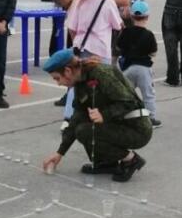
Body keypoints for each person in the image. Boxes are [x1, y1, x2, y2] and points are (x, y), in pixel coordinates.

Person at [41, 50, 153, 182]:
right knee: (81, 127)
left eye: (57, 78)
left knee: (85, 131)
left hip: (136, 128)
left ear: (67, 71)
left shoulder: (102, 74)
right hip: (118, 123)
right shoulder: (80, 82)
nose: (58, 83)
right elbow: (77, 117)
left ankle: (131, 160)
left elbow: (129, 102)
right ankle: (107, 162)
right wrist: (60, 153)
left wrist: (104, 115)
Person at [63, 0, 123, 121]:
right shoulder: (108, 2)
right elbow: (117, 25)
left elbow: (72, 27)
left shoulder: (80, 1)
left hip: (81, 47)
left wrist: (78, 41)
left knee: (77, 83)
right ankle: (97, 114)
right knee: (101, 84)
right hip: (100, 49)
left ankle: (69, 116)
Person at [118, 0, 160, 127]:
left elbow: (119, 47)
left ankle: (123, 116)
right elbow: (153, 52)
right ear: (147, 16)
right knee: (148, 94)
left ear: (131, 16)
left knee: (125, 94)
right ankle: (151, 118)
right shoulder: (149, 35)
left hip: (127, 68)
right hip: (143, 68)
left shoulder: (125, 32)